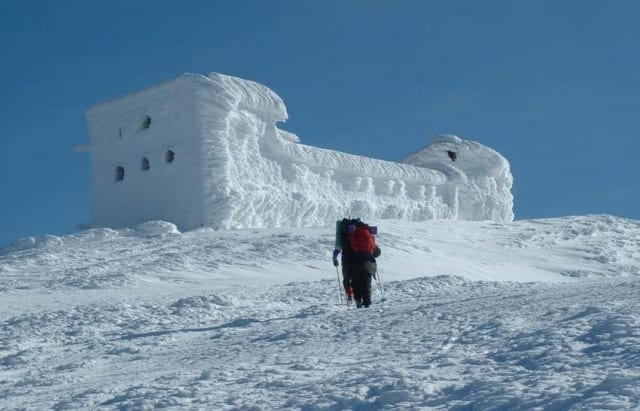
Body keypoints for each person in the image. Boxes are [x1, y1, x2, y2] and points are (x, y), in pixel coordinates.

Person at [333, 218, 381, 307]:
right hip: (369, 263)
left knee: (353, 282)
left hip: (354, 263)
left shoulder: (348, 236)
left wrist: (335, 258)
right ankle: (367, 302)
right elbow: (377, 252)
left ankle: (355, 299)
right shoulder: (366, 234)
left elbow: (338, 249)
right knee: (366, 283)